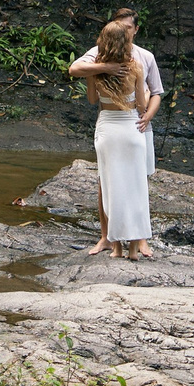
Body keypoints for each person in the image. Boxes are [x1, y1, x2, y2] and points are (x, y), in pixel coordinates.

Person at [67, 13, 159, 259]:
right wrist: (145, 94)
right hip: (132, 128)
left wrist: (96, 76)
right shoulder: (136, 67)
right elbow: (141, 103)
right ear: (127, 39)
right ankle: (133, 249)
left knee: (111, 187)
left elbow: (92, 100)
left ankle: (115, 245)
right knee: (136, 187)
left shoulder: (95, 69)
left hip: (107, 128)